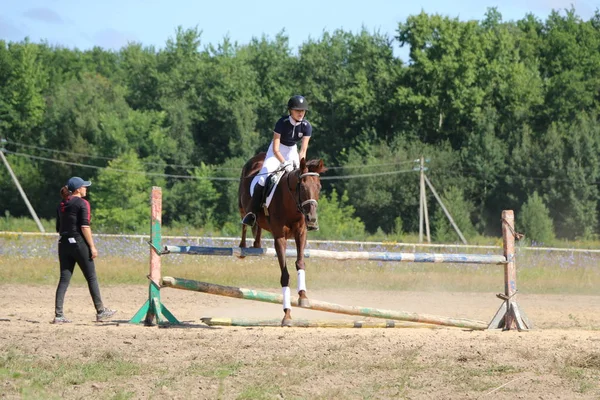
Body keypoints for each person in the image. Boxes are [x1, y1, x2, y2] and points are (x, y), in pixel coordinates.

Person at [53, 176, 116, 323]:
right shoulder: (83, 203)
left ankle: (59, 315)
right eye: (84, 186)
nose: (86, 188)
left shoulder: (61, 204)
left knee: (64, 279)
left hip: (63, 243)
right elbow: (85, 226)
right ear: (78, 189)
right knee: (91, 277)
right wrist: (92, 247)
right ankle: (101, 312)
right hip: (79, 243)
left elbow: (58, 228)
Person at [242, 95, 313, 226]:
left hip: (292, 151)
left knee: (301, 179)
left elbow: (302, 151)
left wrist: (301, 166)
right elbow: (275, 148)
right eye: (298, 110)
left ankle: (307, 216)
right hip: (276, 152)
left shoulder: (306, 126)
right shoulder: (282, 123)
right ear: (290, 111)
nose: (301, 113)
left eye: (303, 111)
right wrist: (283, 162)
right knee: (263, 178)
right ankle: (252, 213)